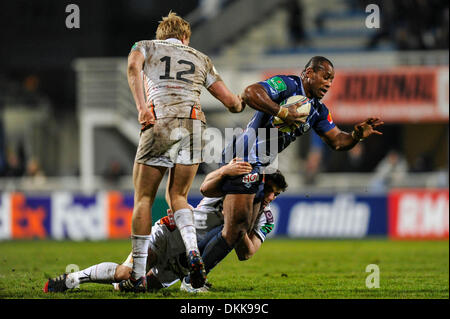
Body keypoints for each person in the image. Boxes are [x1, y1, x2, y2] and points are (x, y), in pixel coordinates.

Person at [198, 56, 384, 278]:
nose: (328, 84)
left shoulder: (318, 110)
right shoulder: (288, 85)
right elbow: (250, 92)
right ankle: (194, 277)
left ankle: (189, 265)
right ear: (308, 73)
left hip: (262, 166)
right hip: (244, 157)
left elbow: (336, 141)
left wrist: (355, 136)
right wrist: (283, 112)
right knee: (235, 228)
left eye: (332, 80)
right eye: (325, 77)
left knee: (239, 230)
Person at [123, 11, 244, 291]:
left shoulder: (145, 45)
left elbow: (132, 67)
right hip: (194, 124)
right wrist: (242, 101)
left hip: (161, 120)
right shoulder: (201, 58)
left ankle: (138, 273)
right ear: (185, 37)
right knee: (178, 196)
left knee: (143, 198)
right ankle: (193, 252)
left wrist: (142, 108)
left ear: (160, 36)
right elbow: (231, 102)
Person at [43, 159, 287, 293]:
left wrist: (238, 226)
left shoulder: (265, 217)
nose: (269, 198)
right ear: (259, 184)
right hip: (173, 235)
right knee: (129, 274)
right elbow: (205, 188)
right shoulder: (234, 189)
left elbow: (248, 252)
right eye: (268, 191)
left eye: (275, 195)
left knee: (131, 289)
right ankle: (71, 279)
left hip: (183, 263)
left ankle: (180, 282)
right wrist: (224, 171)